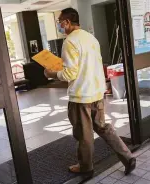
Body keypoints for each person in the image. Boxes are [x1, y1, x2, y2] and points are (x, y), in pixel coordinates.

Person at [44, 8, 136, 175]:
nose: (59, 25)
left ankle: (86, 167)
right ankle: (127, 156)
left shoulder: (70, 41)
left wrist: (51, 73)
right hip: (97, 92)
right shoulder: (91, 38)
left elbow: (70, 73)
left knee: (83, 135)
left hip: (81, 97)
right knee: (103, 128)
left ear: (67, 22)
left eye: (59, 22)